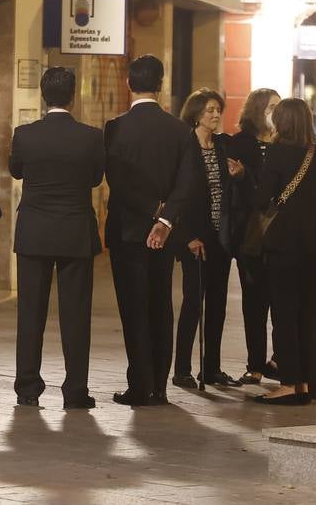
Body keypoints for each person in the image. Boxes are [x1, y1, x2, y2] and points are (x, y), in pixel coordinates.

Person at [104, 55, 206, 407]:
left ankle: (139, 384)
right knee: (161, 303)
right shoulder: (180, 131)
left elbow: (116, 181)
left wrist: (151, 212)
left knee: (133, 308)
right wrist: (165, 220)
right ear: (160, 86)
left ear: (128, 84)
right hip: (165, 235)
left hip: (127, 231)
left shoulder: (116, 127)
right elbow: (189, 180)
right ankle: (160, 386)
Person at [10, 67, 105, 409]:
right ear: (73, 95)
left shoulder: (25, 134)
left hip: (34, 231)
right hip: (74, 231)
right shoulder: (92, 137)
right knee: (76, 314)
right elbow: (95, 179)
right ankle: (76, 389)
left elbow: (16, 170)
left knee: (30, 313)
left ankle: (27, 387)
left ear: (42, 94)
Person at [249, 98, 316, 405]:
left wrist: (243, 179)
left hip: (284, 244)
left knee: (285, 313)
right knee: (310, 314)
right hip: (314, 245)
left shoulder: (276, 152)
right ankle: (309, 383)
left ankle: (289, 383)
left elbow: (262, 199)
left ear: (283, 122)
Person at [172, 88, 237, 389]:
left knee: (218, 305)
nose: (215, 115)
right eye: (209, 110)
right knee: (193, 303)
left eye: (217, 110)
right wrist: (187, 236)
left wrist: (241, 174)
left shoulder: (222, 147)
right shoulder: (185, 148)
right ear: (196, 113)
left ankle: (211, 368)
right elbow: (178, 197)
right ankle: (182, 368)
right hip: (194, 238)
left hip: (219, 238)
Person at [223, 87, 281, 386]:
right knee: (254, 299)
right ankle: (255, 365)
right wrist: (243, 179)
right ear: (257, 110)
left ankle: (278, 359)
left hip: (281, 232)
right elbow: (236, 191)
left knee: (280, 299)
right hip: (250, 231)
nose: (275, 112)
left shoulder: (287, 142)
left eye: (279, 107)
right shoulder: (241, 143)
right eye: (271, 107)